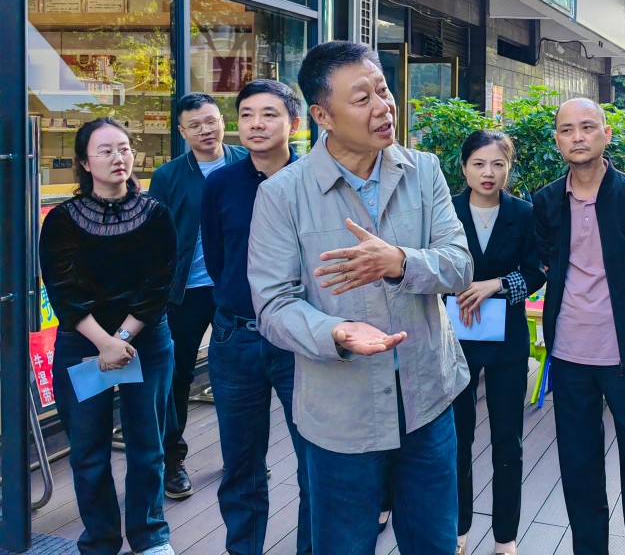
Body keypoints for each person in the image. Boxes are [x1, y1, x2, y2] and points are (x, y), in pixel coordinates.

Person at [247, 41, 472, 555]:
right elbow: (273, 304)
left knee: (435, 543)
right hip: (341, 410)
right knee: (343, 544)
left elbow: (460, 264)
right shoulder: (282, 194)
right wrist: (335, 332)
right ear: (323, 116)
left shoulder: (424, 171)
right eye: (362, 98)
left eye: (383, 90)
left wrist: (401, 262)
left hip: (427, 398)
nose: (383, 107)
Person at [533, 97, 625, 555]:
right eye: (567, 129)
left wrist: (624, 294)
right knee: (579, 467)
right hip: (568, 353)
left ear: (605, 134)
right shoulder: (547, 201)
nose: (577, 137)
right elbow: (544, 258)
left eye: (588, 127)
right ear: (557, 139)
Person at [40, 118, 177, 555]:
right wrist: (105, 343)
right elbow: (64, 291)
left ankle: (150, 535)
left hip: (145, 338)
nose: (119, 157)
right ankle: (99, 540)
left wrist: (122, 338)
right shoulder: (62, 220)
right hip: (83, 342)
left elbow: (159, 285)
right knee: (88, 448)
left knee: (148, 443)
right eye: (105, 151)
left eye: (124, 148)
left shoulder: (156, 214)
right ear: (84, 162)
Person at [199, 80, 311, 555]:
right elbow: (218, 258)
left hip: (298, 336)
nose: (256, 124)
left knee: (313, 458)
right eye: (246, 115)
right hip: (235, 337)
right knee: (241, 462)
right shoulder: (220, 184)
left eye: (269, 114)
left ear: (294, 123)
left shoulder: (312, 180)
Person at [450, 130, 546, 555]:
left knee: (509, 441)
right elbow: (431, 265)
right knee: (457, 438)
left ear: (509, 168)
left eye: (498, 164)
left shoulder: (525, 214)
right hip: (456, 339)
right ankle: (458, 528)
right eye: (478, 164)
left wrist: (496, 285)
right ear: (464, 167)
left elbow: (536, 271)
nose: (488, 172)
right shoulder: (446, 211)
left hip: (508, 341)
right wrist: (456, 287)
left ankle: (505, 536)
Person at [148, 92, 248, 498]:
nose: (205, 130)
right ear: (182, 131)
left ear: (222, 121)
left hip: (236, 288)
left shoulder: (247, 162)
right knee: (177, 376)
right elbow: (155, 238)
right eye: (195, 125)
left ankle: (242, 459)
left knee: (239, 375)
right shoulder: (168, 176)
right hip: (185, 292)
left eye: (211, 121)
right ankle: (173, 460)